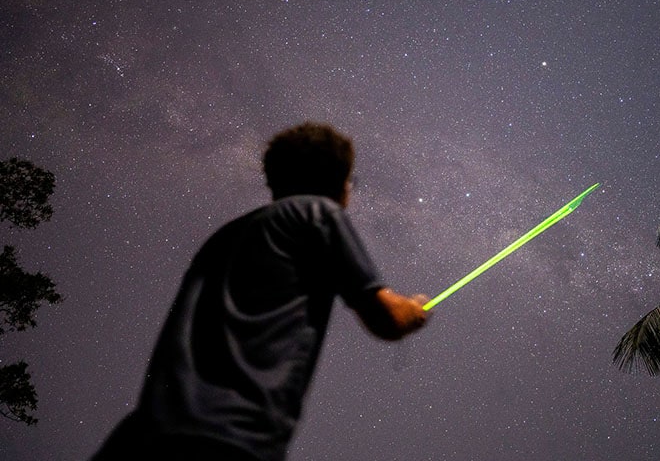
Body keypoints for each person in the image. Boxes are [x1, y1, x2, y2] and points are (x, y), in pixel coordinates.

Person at [91, 122, 430, 461]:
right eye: (349, 181)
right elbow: (389, 319)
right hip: (233, 437)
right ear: (337, 181)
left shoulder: (222, 238)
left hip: (143, 440)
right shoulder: (317, 213)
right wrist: (413, 310)